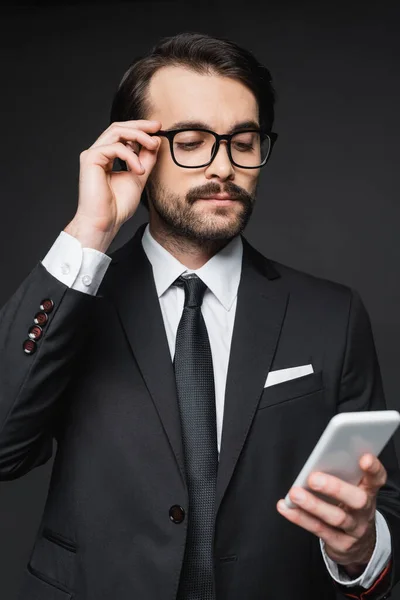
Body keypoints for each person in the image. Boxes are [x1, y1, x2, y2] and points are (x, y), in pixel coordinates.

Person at [0, 31, 399, 600]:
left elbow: (385, 506)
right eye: (191, 141)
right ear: (135, 149)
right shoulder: (77, 300)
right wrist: (90, 232)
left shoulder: (333, 314)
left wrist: (360, 547)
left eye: (243, 141)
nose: (223, 166)